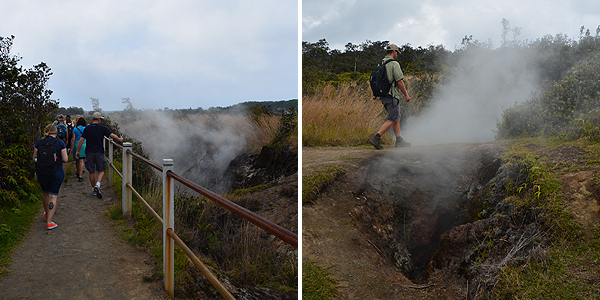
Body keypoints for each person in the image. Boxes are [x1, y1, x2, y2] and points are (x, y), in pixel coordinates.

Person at [369, 44, 412, 149]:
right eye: (396, 52)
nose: (397, 54)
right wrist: (406, 94)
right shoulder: (394, 64)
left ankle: (399, 140)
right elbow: (399, 81)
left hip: (383, 95)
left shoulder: (381, 62)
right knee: (393, 118)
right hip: (392, 95)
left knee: (396, 117)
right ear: (393, 51)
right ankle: (377, 137)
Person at [76, 112, 123, 199]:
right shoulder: (102, 128)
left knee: (91, 171)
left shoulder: (87, 128)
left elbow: (81, 140)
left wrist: (77, 151)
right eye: (100, 119)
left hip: (89, 152)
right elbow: (112, 135)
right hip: (99, 152)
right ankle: (98, 184)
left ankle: (94, 189)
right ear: (98, 119)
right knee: (101, 170)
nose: (100, 120)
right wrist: (120, 139)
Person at [33, 124, 68, 230]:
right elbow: (65, 159)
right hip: (56, 172)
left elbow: (34, 158)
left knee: (45, 193)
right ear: (55, 132)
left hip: (42, 173)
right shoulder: (60, 143)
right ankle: (49, 222)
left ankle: (47, 214)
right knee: (53, 196)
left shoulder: (39, 143)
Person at [71, 117, 87, 182]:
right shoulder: (86, 129)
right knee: (81, 160)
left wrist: (71, 148)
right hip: (84, 143)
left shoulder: (75, 129)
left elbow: (73, 139)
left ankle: (78, 172)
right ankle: (80, 176)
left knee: (77, 159)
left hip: (76, 144)